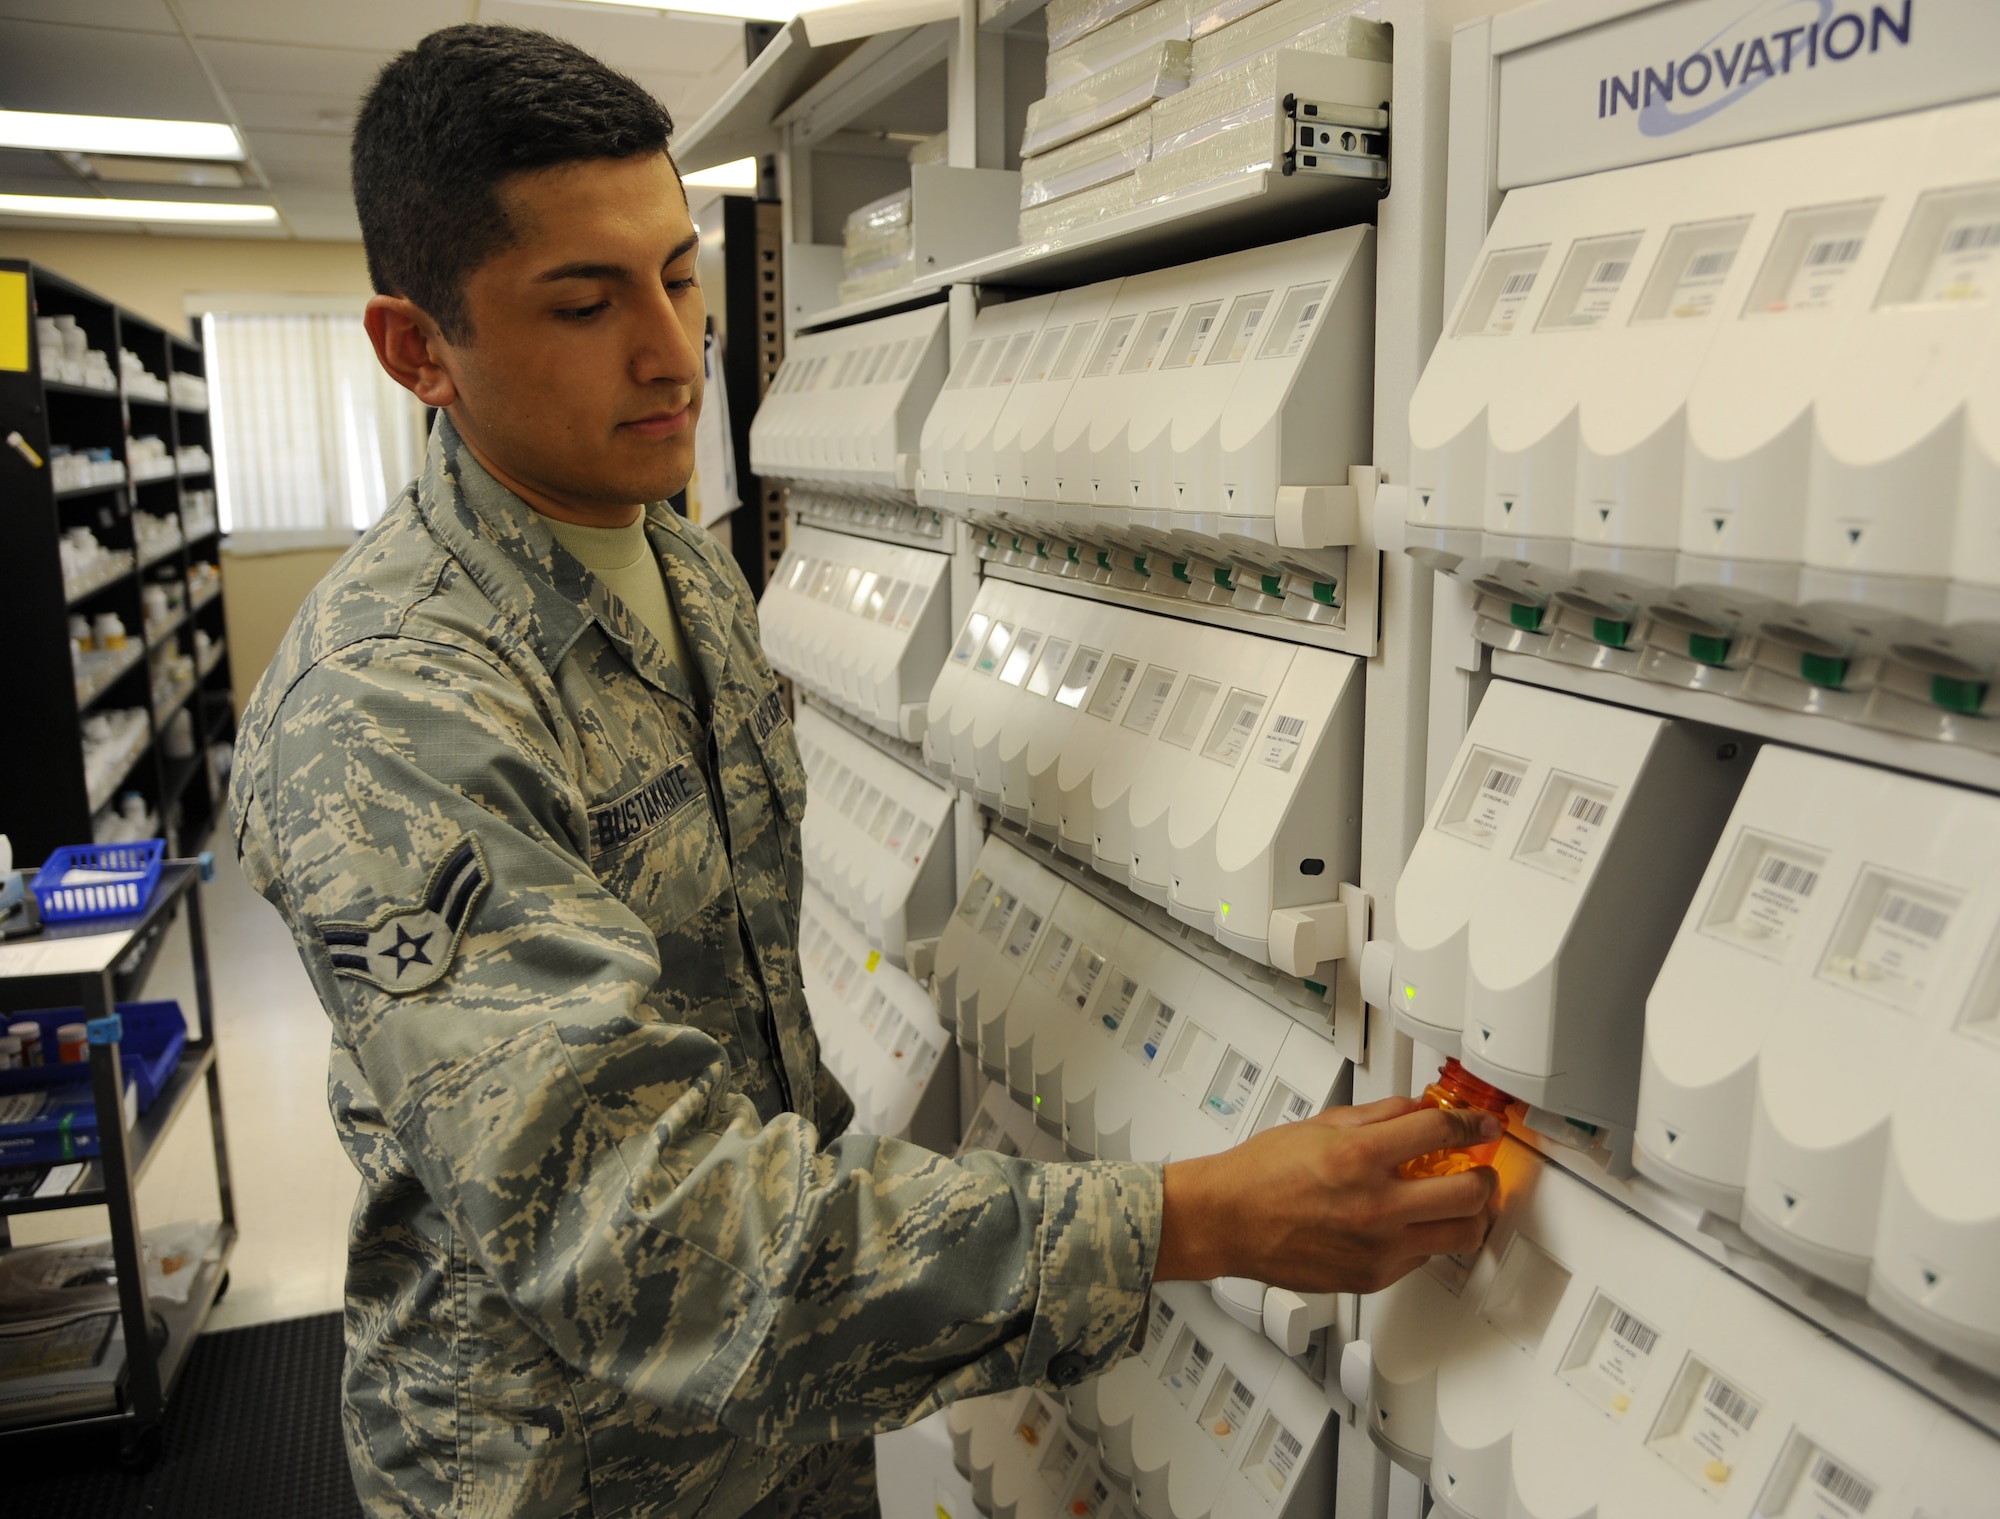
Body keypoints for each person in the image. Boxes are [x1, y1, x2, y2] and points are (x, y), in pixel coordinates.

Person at [230, 24, 1499, 1519]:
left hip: (787, 1425)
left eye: (682, 276)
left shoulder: (682, 569)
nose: (672, 350)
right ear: (415, 349)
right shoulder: (388, 715)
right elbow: (649, 1243)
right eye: (584, 303)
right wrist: (1195, 1218)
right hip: (562, 1468)